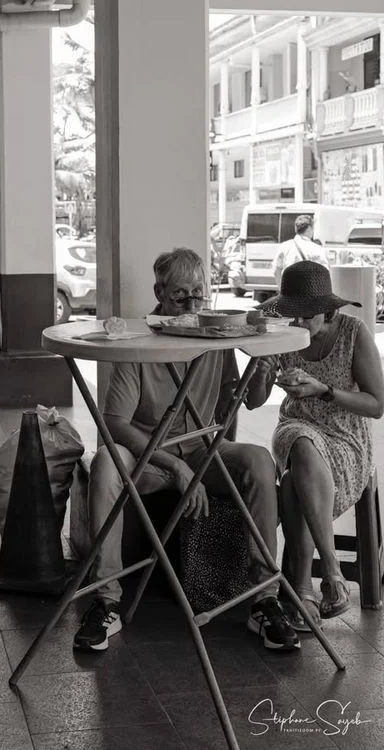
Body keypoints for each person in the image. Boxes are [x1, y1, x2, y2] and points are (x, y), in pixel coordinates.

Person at [73, 247, 299, 654]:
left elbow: (243, 401)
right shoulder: (138, 342)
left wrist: (262, 375)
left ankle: (264, 595)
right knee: (107, 464)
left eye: (200, 292)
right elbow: (116, 424)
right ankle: (105, 599)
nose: (193, 304)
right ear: (159, 293)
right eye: (181, 296)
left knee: (259, 461)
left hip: (201, 448)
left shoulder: (217, 336)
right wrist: (173, 466)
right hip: (148, 455)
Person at [247, 261, 384, 629]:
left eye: (307, 316)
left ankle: (303, 589)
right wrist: (261, 374)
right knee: (302, 442)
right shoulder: (282, 336)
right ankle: (333, 573)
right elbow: (253, 402)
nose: (299, 324)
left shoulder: (353, 333)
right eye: (292, 315)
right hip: (295, 428)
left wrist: (325, 391)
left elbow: (377, 404)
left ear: (329, 310)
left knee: (293, 482)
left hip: (345, 439)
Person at [272, 215, 329, 288]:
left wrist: (282, 289)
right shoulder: (318, 249)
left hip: (290, 293)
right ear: (309, 228)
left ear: (296, 228)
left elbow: (276, 271)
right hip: (310, 294)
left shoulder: (284, 247)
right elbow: (325, 274)